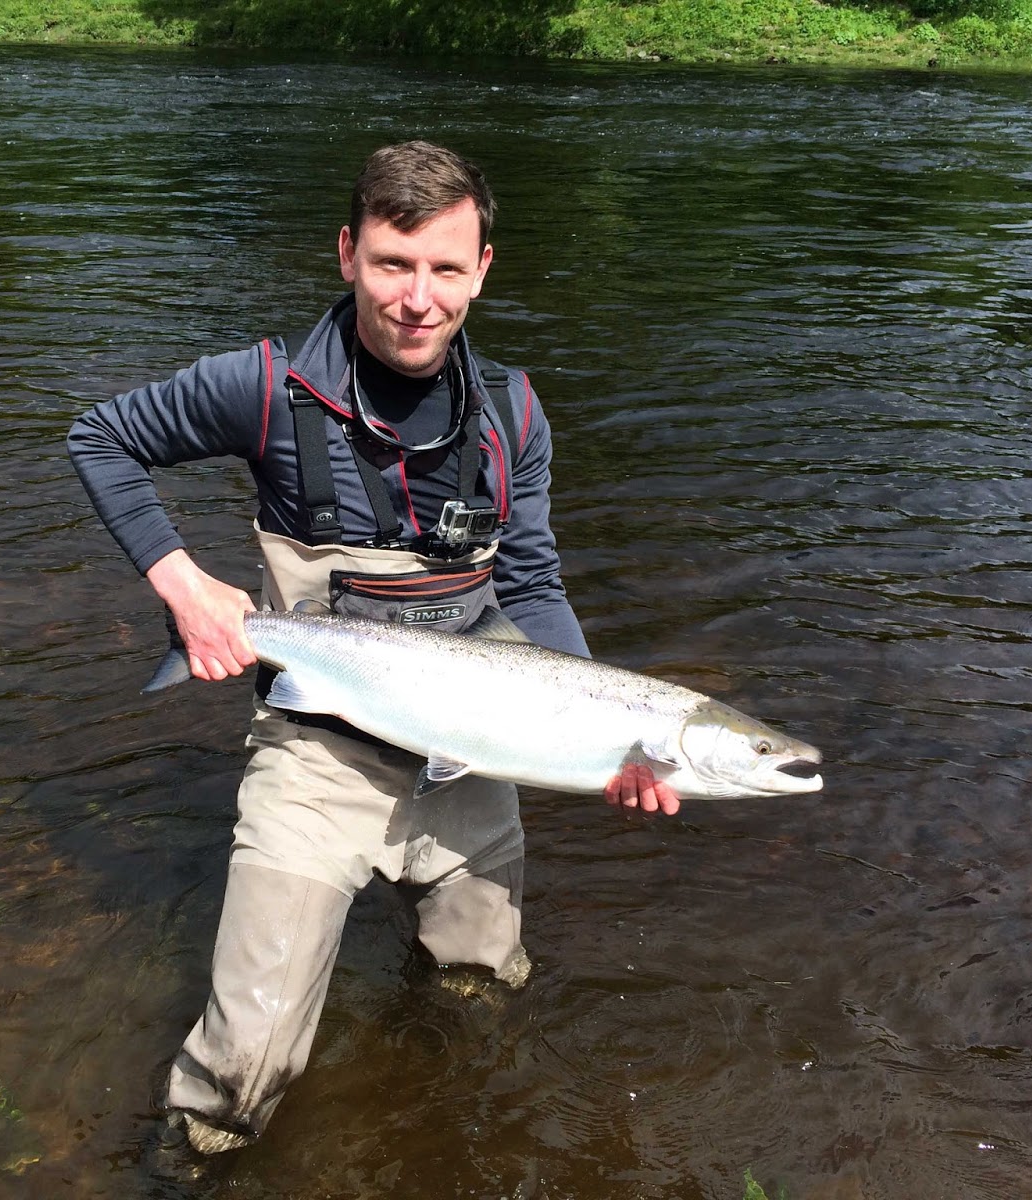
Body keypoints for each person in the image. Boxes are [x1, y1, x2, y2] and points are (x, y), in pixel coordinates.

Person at [68, 140, 679, 1155]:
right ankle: (195, 1165)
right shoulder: (260, 387)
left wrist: (613, 727)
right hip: (318, 752)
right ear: (347, 253)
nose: (417, 298)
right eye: (394, 264)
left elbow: (529, 584)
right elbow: (103, 438)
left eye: (445, 269)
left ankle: (442, 1134)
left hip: (473, 750)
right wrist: (183, 586)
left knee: (479, 986)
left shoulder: (514, 416)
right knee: (242, 1065)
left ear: (483, 269)